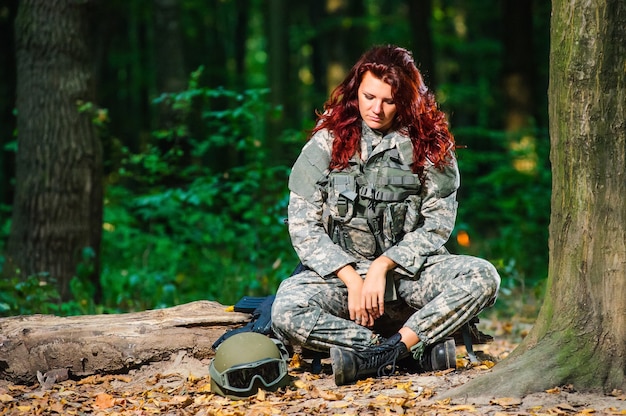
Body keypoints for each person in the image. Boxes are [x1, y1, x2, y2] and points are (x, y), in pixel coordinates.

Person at [270, 45, 500, 386]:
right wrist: (351, 277)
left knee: (483, 277)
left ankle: (390, 350)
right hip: (341, 278)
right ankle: (392, 350)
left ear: (406, 100)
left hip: (411, 275)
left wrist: (383, 265)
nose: (376, 109)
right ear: (354, 91)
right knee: (285, 312)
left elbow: (437, 226)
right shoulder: (327, 141)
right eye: (368, 96)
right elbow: (304, 226)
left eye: (389, 101)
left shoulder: (430, 145)